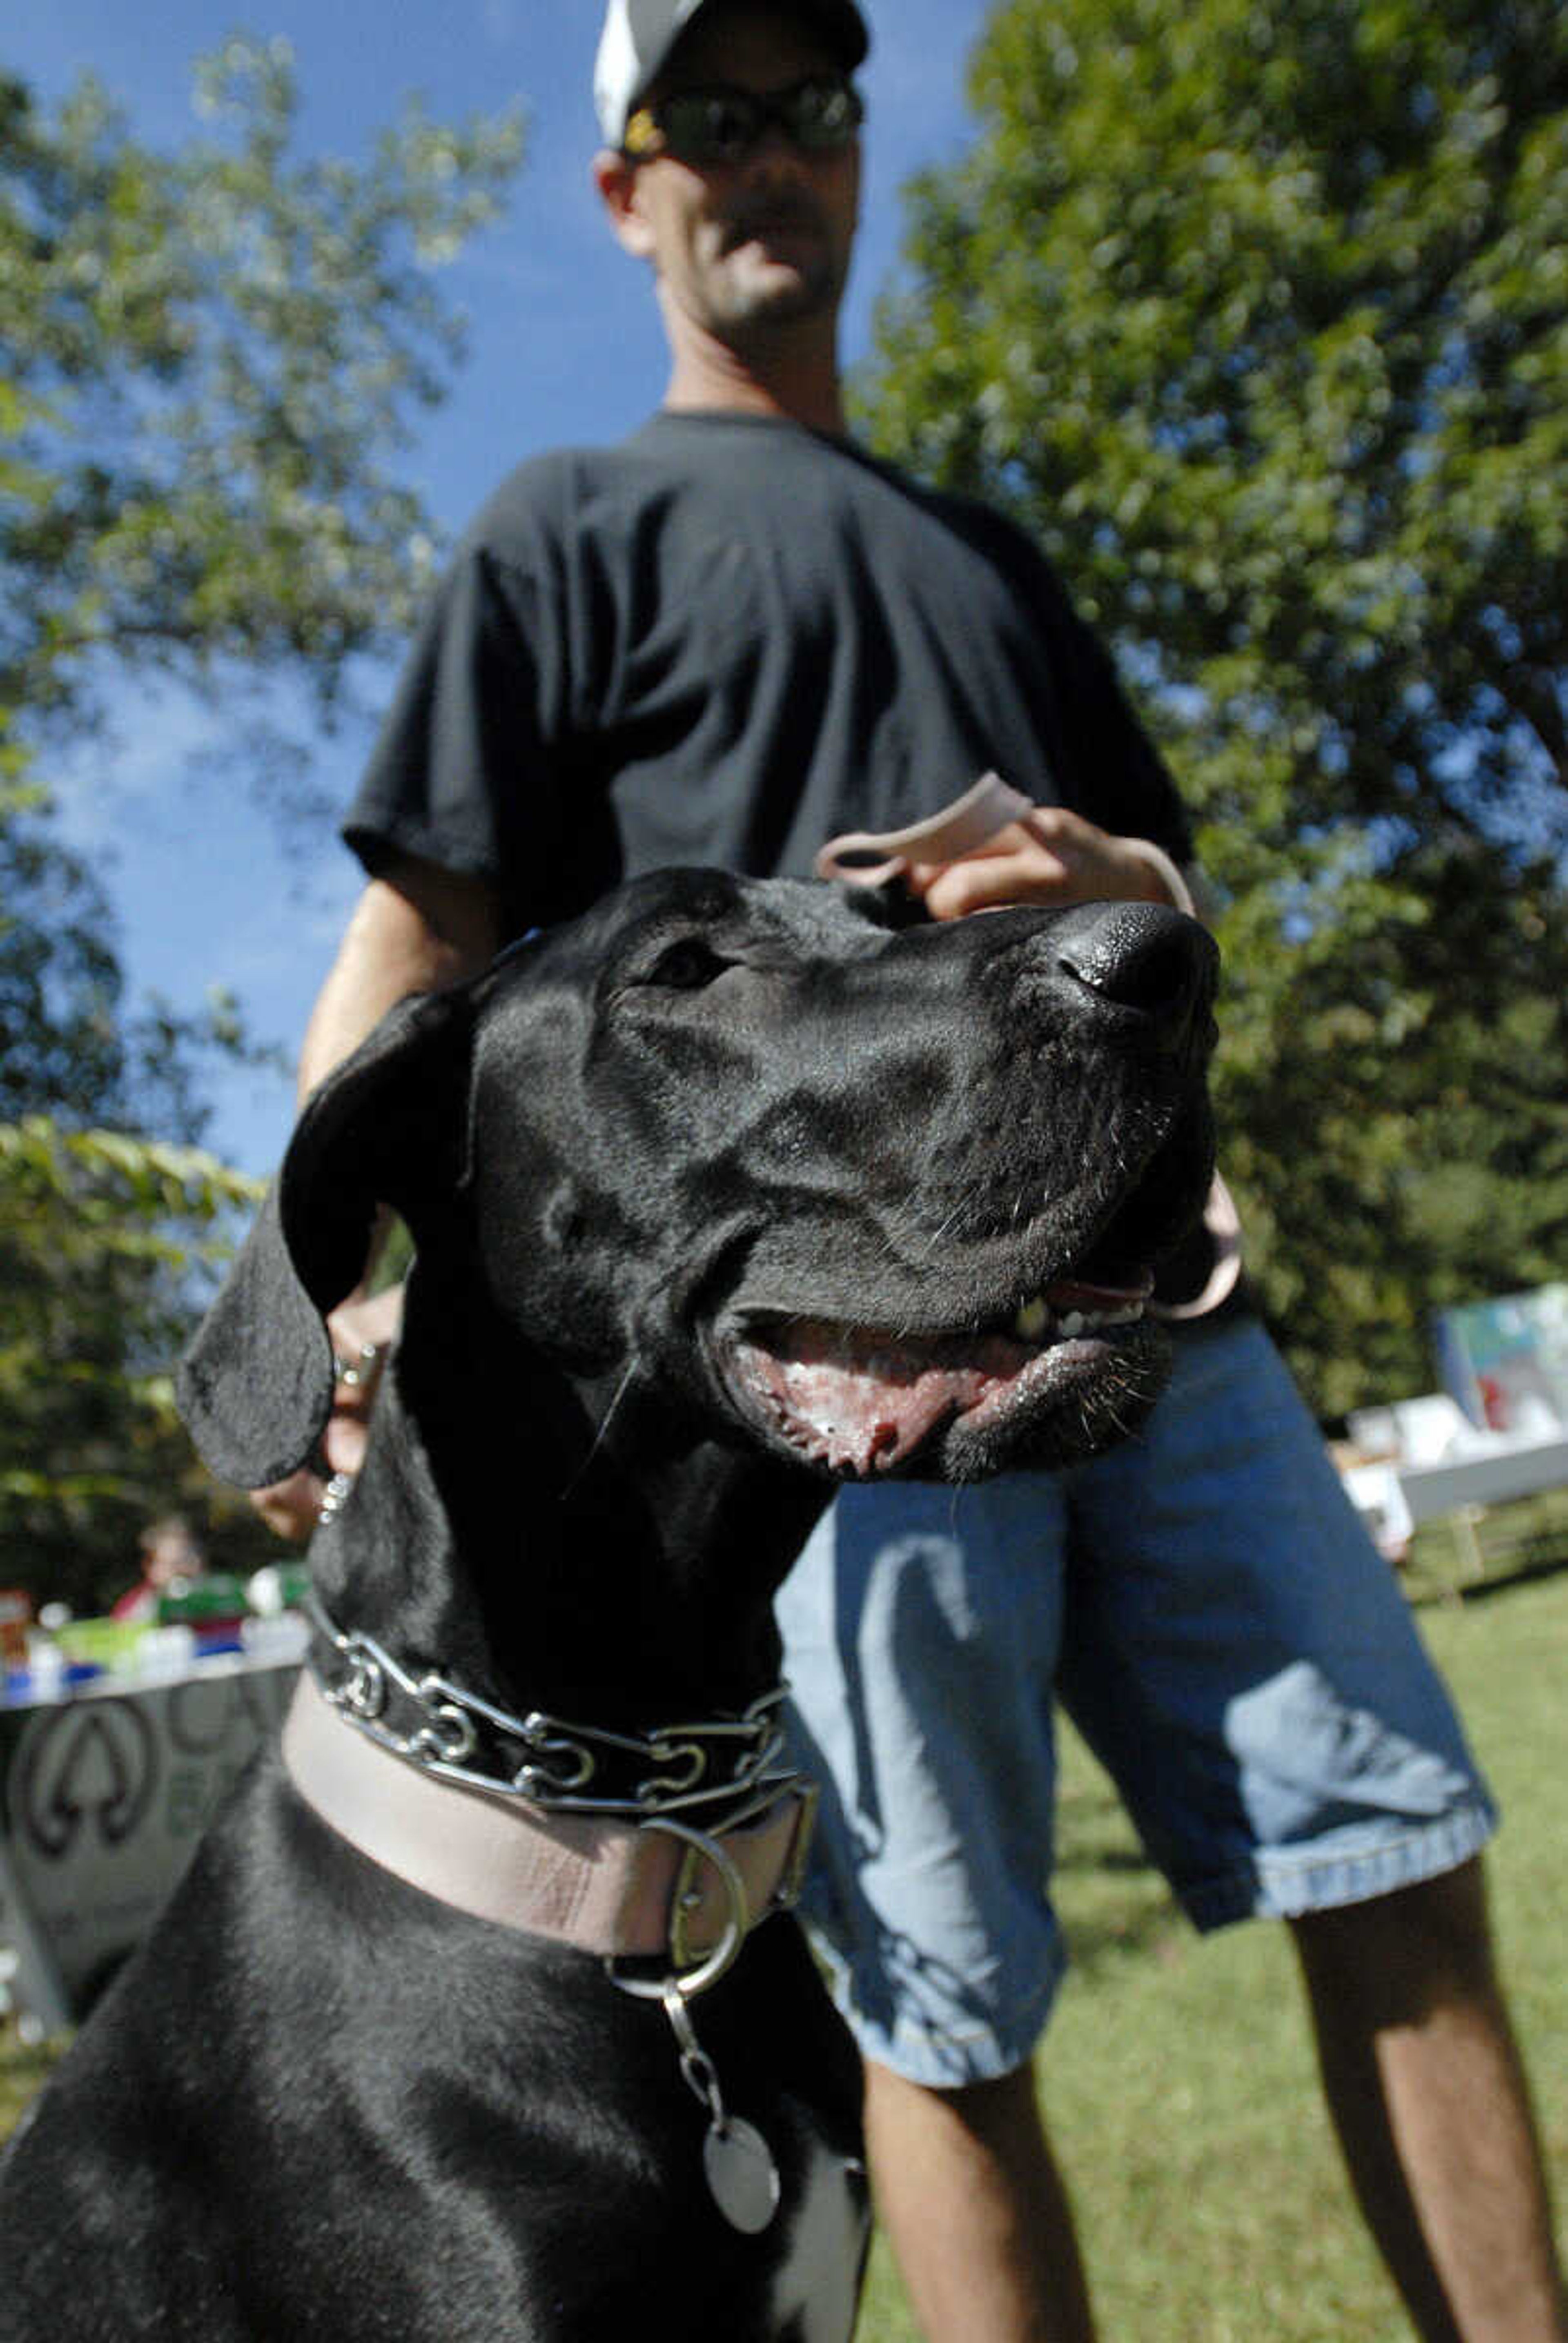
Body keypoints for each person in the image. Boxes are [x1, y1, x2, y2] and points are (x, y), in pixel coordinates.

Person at [265, 4, 1567, 2335]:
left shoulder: (983, 552)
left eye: (814, 106)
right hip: (823, 1378)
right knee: (934, 2012)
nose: (771, 153)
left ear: (862, 156)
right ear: (623, 188)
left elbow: (1156, 892)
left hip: (1163, 1334)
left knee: (1394, 1853)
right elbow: (421, 943)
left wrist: (1102, 871)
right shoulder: (565, 526)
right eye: (712, 114)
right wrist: (324, 1296)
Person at [110, 1514, 206, 1624]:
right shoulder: (134, 1610)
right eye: (168, 1565)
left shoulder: (213, 1599)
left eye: (184, 1561)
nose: (180, 1571)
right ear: (148, 1566)